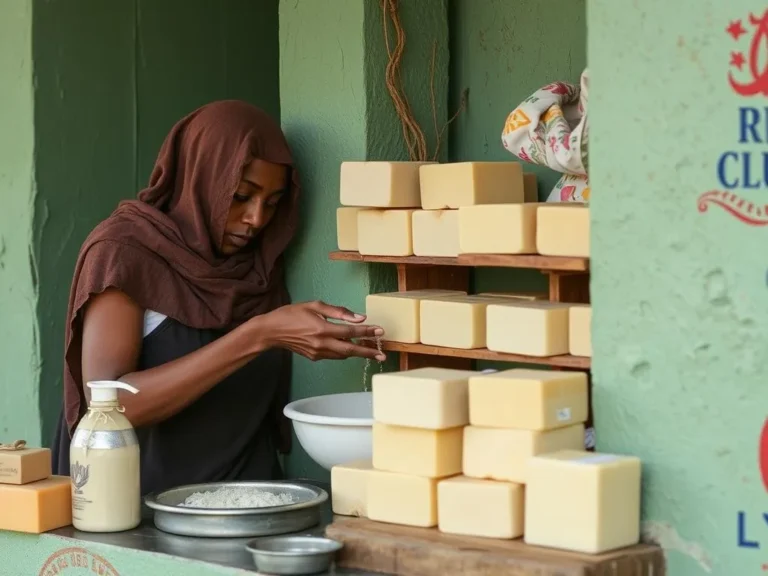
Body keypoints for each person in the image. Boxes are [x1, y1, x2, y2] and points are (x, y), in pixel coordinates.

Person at [52, 100, 386, 495]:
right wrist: (257, 336)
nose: (257, 219)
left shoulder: (257, 267)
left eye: (272, 202)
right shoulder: (127, 254)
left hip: (245, 505)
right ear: (201, 177)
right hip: (139, 512)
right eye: (242, 196)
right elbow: (109, 406)